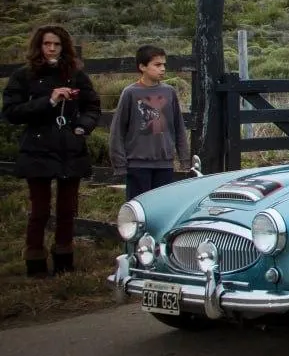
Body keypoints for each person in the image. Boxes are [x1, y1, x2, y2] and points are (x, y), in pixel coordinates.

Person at [2, 25, 101, 277]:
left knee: (68, 208)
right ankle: (35, 260)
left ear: (63, 47)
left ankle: (64, 262)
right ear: (39, 46)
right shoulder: (24, 76)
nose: (52, 49)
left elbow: (92, 106)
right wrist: (49, 101)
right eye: (47, 44)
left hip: (69, 147)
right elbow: (12, 112)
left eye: (56, 44)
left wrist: (81, 128)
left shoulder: (76, 75)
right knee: (40, 210)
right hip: (37, 147)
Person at [109, 44, 190, 199]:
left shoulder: (169, 92)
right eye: (157, 65)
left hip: (164, 164)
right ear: (142, 66)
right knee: (139, 211)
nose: (163, 69)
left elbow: (179, 127)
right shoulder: (130, 93)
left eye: (164, 65)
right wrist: (120, 164)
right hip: (138, 165)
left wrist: (184, 159)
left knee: (161, 208)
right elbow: (117, 130)